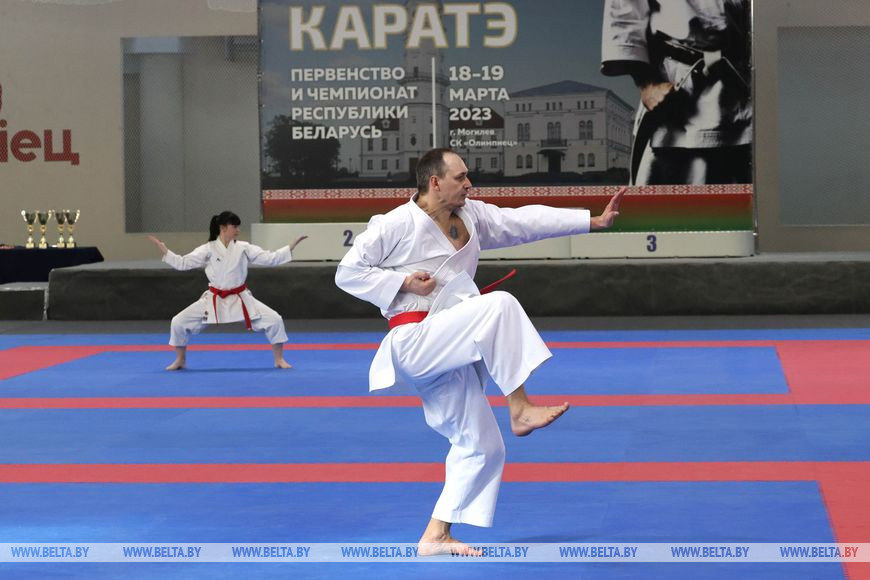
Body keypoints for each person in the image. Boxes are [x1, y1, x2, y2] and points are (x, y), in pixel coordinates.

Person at [335, 148, 624, 555]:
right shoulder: (395, 223)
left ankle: (436, 534)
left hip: (453, 343)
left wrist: (590, 221)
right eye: (461, 177)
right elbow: (347, 272)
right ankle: (519, 407)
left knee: (482, 445)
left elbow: (524, 221)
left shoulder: (473, 215)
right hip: (415, 340)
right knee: (499, 305)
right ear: (435, 182)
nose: (469, 184)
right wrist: (403, 283)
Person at [600, 0, 752, 185]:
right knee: (666, 199)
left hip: (743, 92)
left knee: (749, 194)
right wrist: (648, 83)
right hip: (678, 97)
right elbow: (625, 12)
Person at [148, 211, 306, 371]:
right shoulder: (208, 249)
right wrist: (165, 251)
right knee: (178, 322)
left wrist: (290, 246)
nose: (238, 230)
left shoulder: (244, 248)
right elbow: (183, 263)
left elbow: (269, 258)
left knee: (275, 319)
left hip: (240, 298)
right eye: (234, 226)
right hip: (214, 298)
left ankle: (279, 359)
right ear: (223, 228)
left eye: (238, 227)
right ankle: (180, 360)